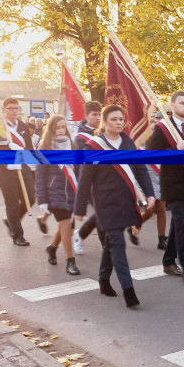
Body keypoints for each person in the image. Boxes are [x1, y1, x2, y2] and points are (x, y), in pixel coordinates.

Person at [74, 105, 156, 308]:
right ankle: (129, 291)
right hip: (104, 202)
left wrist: (150, 194)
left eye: (121, 119)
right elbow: (85, 179)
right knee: (118, 242)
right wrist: (79, 209)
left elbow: (140, 169)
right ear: (104, 122)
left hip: (125, 199)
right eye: (114, 119)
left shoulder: (128, 142)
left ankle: (103, 279)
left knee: (111, 242)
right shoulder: (93, 146)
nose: (119, 122)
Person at [146, 90, 184, 284]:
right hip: (171, 182)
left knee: (177, 223)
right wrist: (174, 149)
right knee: (182, 222)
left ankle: (168, 261)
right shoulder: (163, 128)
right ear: (172, 106)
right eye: (182, 103)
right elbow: (152, 154)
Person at [0, 97, 38, 247]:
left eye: (16, 108)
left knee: (30, 198)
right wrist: (8, 154)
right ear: (4, 110)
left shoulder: (23, 126)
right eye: (10, 108)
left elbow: (29, 148)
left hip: (22, 166)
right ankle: (18, 235)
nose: (14, 111)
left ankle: (12, 221)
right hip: (5, 169)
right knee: (12, 203)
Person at [36, 116, 80, 276]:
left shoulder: (72, 145)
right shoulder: (45, 147)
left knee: (67, 226)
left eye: (63, 127)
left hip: (71, 191)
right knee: (66, 225)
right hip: (55, 192)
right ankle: (70, 262)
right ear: (51, 129)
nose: (61, 130)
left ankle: (52, 248)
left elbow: (78, 170)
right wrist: (42, 200)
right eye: (58, 128)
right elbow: (40, 176)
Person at [72, 101, 103, 255]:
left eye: (100, 114)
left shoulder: (104, 130)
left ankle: (81, 234)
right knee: (103, 213)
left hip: (107, 179)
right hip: (91, 180)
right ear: (86, 116)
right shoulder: (80, 138)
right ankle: (107, 249)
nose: (98, 118)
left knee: (103, 213)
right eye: (94, 115)